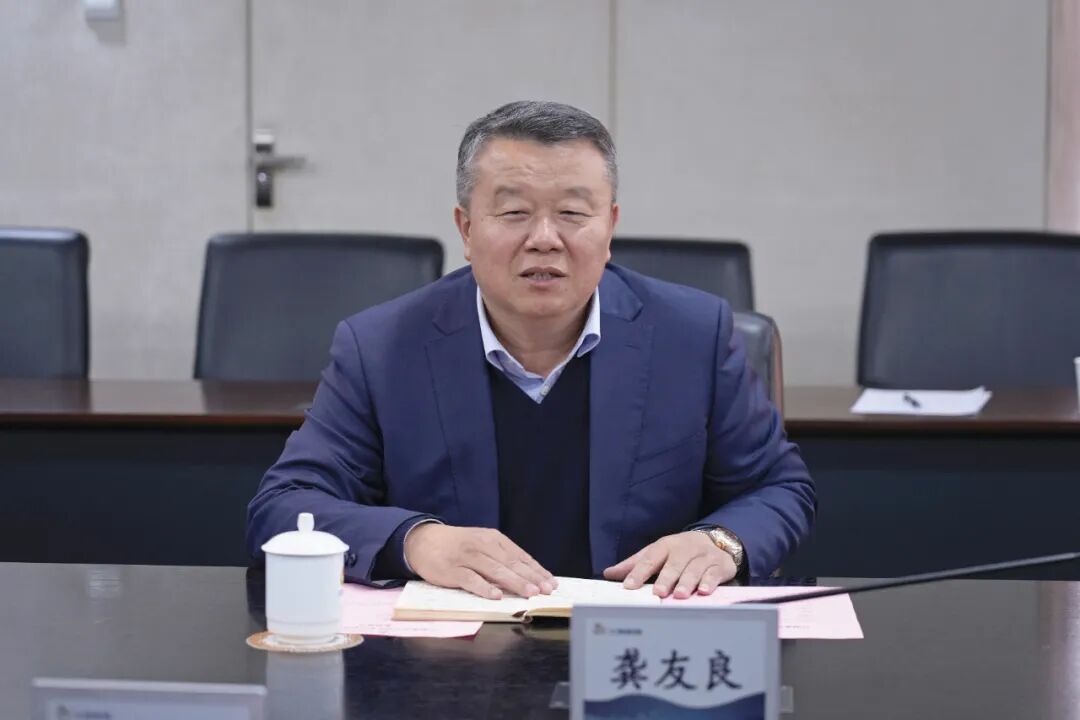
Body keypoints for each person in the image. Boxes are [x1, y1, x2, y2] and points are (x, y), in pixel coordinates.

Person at [247, 100, 815, 601]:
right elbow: (286, 504)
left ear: (610, 227)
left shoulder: (692, 335)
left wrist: (721, 542)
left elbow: (778, 486)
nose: (544, 238)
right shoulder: (382, 346)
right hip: (452, 657)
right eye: (514, 212)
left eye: (573, 213)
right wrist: (414, 541)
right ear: (466, 229)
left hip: (637, 644)